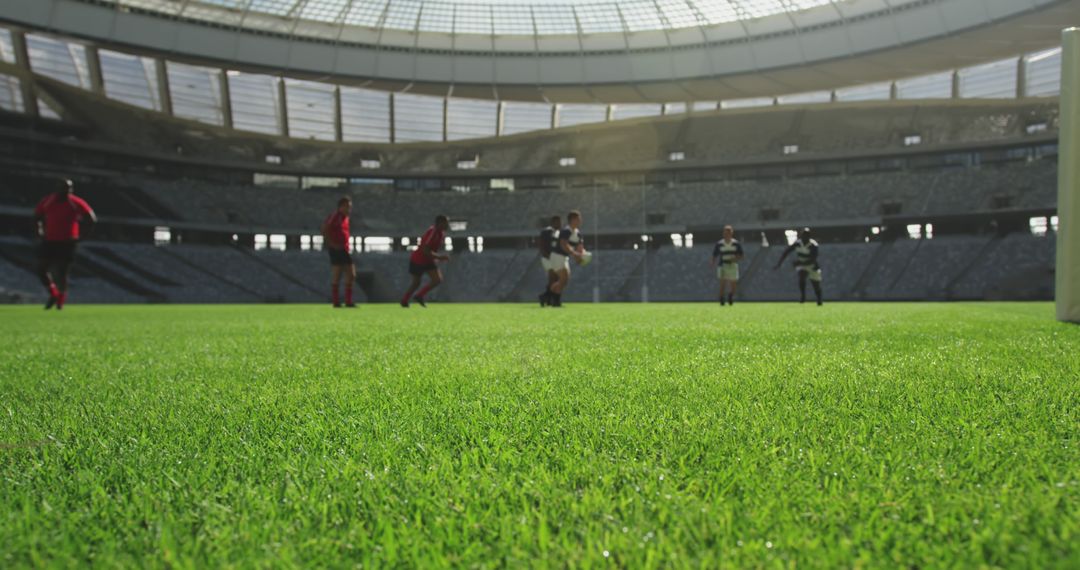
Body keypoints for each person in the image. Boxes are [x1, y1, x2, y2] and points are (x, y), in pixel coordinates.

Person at [34, 178, 96, 310]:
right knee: (41, 269)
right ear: (58, 188)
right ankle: (53, 293)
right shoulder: (48, 201)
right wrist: (39, 230)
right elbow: (37, 216)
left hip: (67, 242)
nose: (67, 190)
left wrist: (81, 237)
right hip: (49, 240)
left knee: (61, 272)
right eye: (64, 187)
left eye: (70, 188)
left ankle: (60, 301)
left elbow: (91, 219)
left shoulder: (76, 202)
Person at [401, 215, 450, 308]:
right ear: (440, 223)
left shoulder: (441, 234)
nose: (448, 225)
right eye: (446, 223)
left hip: (428, 260)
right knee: (416, 282)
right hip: (418, 259)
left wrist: (436, 258)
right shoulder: (433, 232)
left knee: (437, 280)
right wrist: (439, 257)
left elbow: (432, 249)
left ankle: (419, 295)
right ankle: (405, 300)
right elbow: (425, 249)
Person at [321, 197, 356, 308]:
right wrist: (331, 243)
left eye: (350, 207)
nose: (349, 209)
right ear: (341, 206)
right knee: (339, 274)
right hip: (337, 249)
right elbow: (325, 228)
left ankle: (346, 301)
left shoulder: (345, 218)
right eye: (347, 206)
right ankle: (339, 301)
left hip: (343, 249)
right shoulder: (336, 216)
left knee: (350, 275)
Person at [774, 227, 823, 305]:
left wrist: (799, 263)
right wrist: (779, 264)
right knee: (802, 275)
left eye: (806, 235)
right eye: (803, 235)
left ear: (809, 236)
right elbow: (786, 252)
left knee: (815, 284)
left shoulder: (813, 245)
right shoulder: (797, 243)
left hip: (812, 266)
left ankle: (819, 300)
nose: (804, 237)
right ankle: (803, 297)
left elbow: (813, 259)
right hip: (802, 264)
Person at [548, 210, 585, 308]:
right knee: (563, 277)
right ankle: (555, 301)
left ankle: (550, 296)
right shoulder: (566, 231)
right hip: (557, 256)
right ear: (572, 220)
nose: (580, 221)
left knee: (565, 280)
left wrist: (581, 256)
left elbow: (580, 247)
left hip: (564, 257)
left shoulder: (578, 234)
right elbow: (563, 245)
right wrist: (574, 254)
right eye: (578, 219)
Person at [711, 225, 744, 306]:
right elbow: (714, 255)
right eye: (725, 232)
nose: (727, 234)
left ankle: (730, 295)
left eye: (728, 232)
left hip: (732, 265)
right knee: (723, 283)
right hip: (722, 265)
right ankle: (721, 299)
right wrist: (712, 262)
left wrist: (735, 258)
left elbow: (742, 256)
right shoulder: (719, 244)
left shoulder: (736, 243)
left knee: (733, 286)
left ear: (731, 233)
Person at [537, 215, 562, 307]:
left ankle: (547, 297)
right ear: (553, 222)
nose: (560, 224)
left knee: (556, 278)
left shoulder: (559, 232)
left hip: (554, 258)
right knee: (553, 277)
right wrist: (546, 254)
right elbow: (541, 243)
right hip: (547, 257)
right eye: (558, 222)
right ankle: (550, 298)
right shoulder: (547, 231)